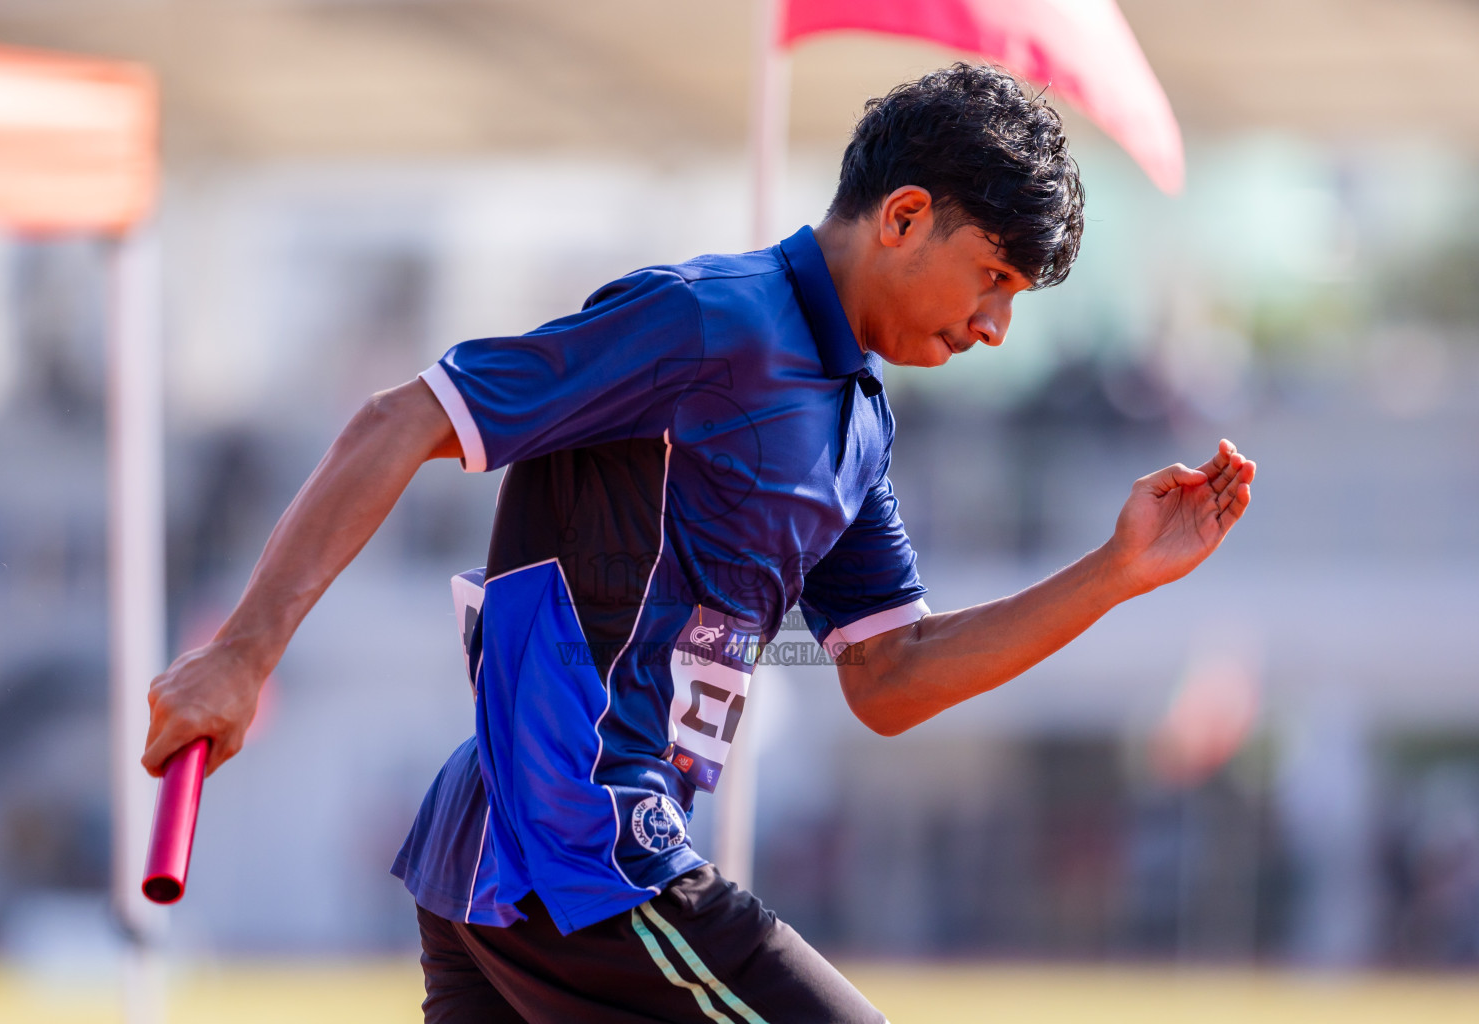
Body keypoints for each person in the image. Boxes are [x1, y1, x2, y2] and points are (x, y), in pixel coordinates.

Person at [143, 63, 1255, 1022]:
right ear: (906, 216)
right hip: (581, 841)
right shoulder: (707, 321)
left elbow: (890, 675)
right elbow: (403, 418)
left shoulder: (858, 418)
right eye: (995, 278)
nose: (994, 326)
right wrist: (241, 652)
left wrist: (1114, 575)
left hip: (512, 858)